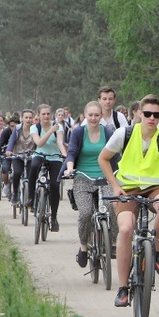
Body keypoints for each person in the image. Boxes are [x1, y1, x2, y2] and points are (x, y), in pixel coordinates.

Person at [98, 94, 159, 307]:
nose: (151, 118)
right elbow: (103, 158)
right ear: (139, 113)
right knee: (126, 229)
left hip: (154, 187)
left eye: (156, 115)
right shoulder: (125, 133)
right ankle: (122, 288)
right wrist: (115, 185)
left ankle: (157, 252)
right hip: (127, 189)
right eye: (147, 113)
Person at [62, 101, 118, 268]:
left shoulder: (108, 132)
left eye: (96, 115)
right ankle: (84, 247)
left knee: (111, 205)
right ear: (84, 116)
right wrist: (70, 167)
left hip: (105, 176)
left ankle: (113, 242)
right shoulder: (79, 132)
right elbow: (71, 151)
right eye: (90, 115)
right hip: (82, 178)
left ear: (101, 116)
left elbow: (117, 154)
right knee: (85, 213)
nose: (93, 118)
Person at [26, 104, 67, 232]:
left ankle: (53, 217)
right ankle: (31, 198)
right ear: (38, 115)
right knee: (33, 167)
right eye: (43, 114)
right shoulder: (35, 127)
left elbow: (60, 142)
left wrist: (65, 155)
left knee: (55, 185)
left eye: (48, 114)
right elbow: (39, 143)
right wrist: (50, 130)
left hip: (55, 157)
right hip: (40, 154)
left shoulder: (59, 127)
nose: (46, 116)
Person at [6, 110, 36, 205]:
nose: (28, 119)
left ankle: (32, 198)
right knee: (17, 172)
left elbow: (38, 142)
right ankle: (15, 194)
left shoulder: (35, 129)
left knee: (32, 175)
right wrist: (9, 150)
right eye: (26, 117)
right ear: (22, 118)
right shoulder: (17, 128)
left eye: (30, 117)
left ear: (33, 118)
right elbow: (11, 140)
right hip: (18, 156)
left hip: (31, 156)